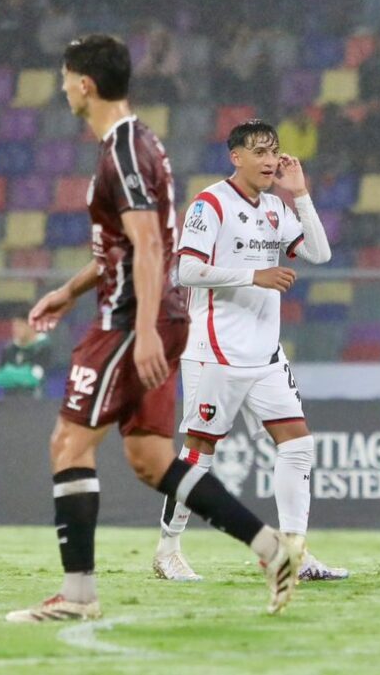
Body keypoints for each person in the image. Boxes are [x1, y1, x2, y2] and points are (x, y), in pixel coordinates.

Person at [6, 35, 301, 623]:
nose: (63, 87)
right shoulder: (136, 146)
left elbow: (146, 245)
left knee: (68, 444)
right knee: (148, 457)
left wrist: (141, 330)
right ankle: (270, 548)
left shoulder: (124, 150)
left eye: (66, 78)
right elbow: (128, 242)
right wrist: (67, 291)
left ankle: (78, 595)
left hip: (129, 317)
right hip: (144, 311)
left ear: (84, 83)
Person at [152, 119, 346, 583]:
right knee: (200, 451)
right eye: (259, 151)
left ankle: (294, 553)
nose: (269, 160)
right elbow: (187, 271)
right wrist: (252, 275)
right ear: (235, 156)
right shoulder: (210, 203)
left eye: (274, 151)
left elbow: (320, 254)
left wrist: (300, 193)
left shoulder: (278, 208)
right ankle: (167, 550)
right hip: (215, 349)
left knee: (298, 443)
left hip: (265, 353)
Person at [0, 305, 51, 397]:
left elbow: (34, 378)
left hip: (37, 405)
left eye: (19, 325)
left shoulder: (44, 347)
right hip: (8, 404)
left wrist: (9, 372)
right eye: (14, 326)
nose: (15, 330)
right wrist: (23, 373)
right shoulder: (9, 349)